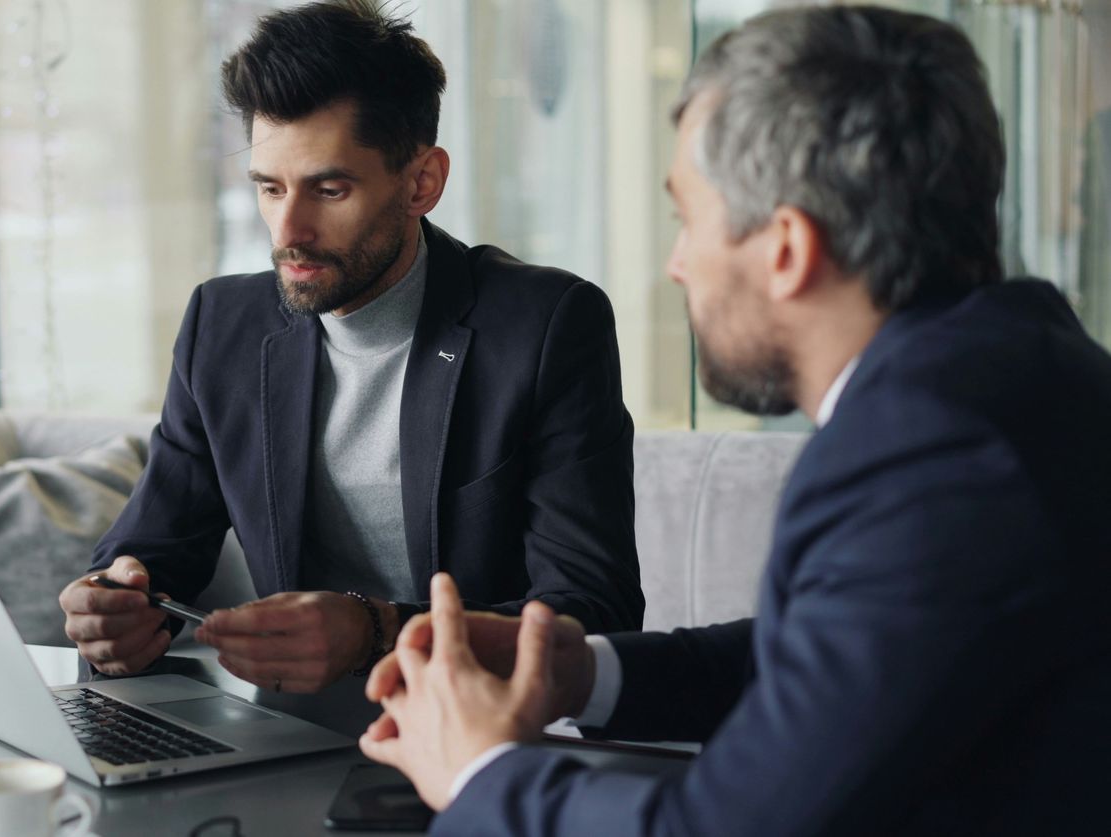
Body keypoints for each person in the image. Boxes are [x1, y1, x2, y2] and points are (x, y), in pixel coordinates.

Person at [360, 5, 1111, 835]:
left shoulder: (939, 454)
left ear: (786, 247)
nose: (677, 265)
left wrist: (477, 772)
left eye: (688, 217)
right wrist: (581, 674)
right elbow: (837, 670)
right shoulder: (1015, 372)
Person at [57, 0, 643, 695]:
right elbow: (151, 552)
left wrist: (378, 629)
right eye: (269, 188)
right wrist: (112, 603)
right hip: (285, 731)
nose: (289, 229)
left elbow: (594, 614)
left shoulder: (545, 326)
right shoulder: (222, 324)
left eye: (328, 188)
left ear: (422, 182)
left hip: (482, 731)